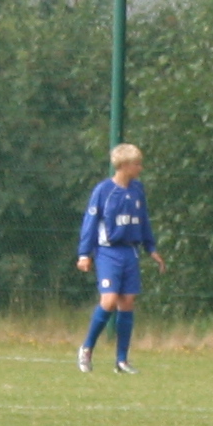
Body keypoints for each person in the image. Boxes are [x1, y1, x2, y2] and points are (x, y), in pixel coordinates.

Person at [74, 142, 163, 374]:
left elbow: (143, 220)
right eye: (137, 164)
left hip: (130, 251)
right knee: (109, 300)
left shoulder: (137, 189)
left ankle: (121, 361)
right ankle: (86, 348)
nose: (140, 168)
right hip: (108, 252)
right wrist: (84, 254)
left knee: (127, 301)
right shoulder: (104, 190)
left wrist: (151, 248)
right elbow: (90, 223)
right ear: (124, 166)